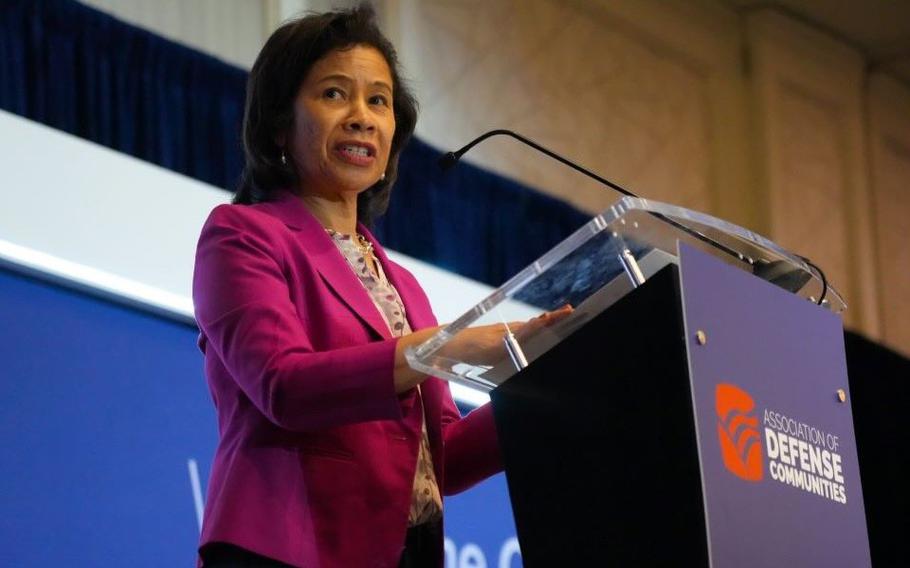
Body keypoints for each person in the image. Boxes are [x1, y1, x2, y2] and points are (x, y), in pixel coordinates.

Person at [192, 5, 568, 567]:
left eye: (379, 100)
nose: (362, 117)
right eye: (334, 94)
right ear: (279, 124)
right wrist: (448, 347)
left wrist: (547, 385)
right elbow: (283, 386)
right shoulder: (243, 235)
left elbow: (443, 458)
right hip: (288, 549)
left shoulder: (402, 284)